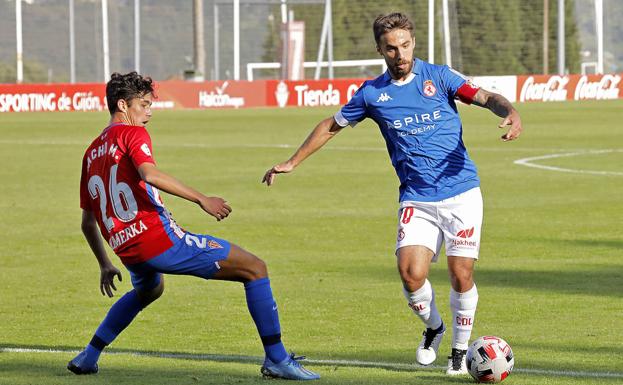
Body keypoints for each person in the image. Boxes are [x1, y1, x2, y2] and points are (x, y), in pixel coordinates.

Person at [262, 12, 522, 376]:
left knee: (460, 274)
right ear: (380, 50)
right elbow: (330, 126)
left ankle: (459, 353)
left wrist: (509, 111)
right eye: (391, 48)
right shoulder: (372, 94)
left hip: (461, 192)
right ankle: (434, 328)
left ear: (413, 43)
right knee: (410, 274)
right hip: (416, 196)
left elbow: (485, 96)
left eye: (405, 45)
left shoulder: (440, 77)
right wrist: (292, 162)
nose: (400, 53)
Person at [70, 71, 319, 381]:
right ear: (123, 105)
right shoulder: (131, 134)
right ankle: (277, 359)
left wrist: (105, 263)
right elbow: (149, 174)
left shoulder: (90, 153)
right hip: (157, 240)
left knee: (149, 289)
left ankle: (88, 355)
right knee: (255, 268)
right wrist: (202, 199)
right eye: (144, 104)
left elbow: (87, 221)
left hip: (125, 248)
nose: (149, 112)